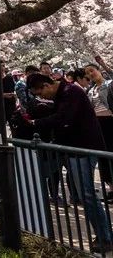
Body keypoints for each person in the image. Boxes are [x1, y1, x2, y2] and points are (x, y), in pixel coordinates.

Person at [25, 73, 113, 252]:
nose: (42, 97)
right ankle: (105, 234)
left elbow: (64, 119)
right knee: (86, 194)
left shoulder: (71, 91)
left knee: (87, 194)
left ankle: (105, 237)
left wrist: (35, 123)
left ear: (46, 85)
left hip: (84, 148)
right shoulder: (64, 93)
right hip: (75, 148)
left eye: (40, 93)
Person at [85, 62, 113, 196]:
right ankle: (111, 188)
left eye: (92, 70)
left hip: (110, 122)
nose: (91, 74)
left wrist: (102, 62)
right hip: (98, 124)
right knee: (103, 156)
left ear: (98, 70)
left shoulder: (110, 84)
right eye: (88, 73)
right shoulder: (91, 90)